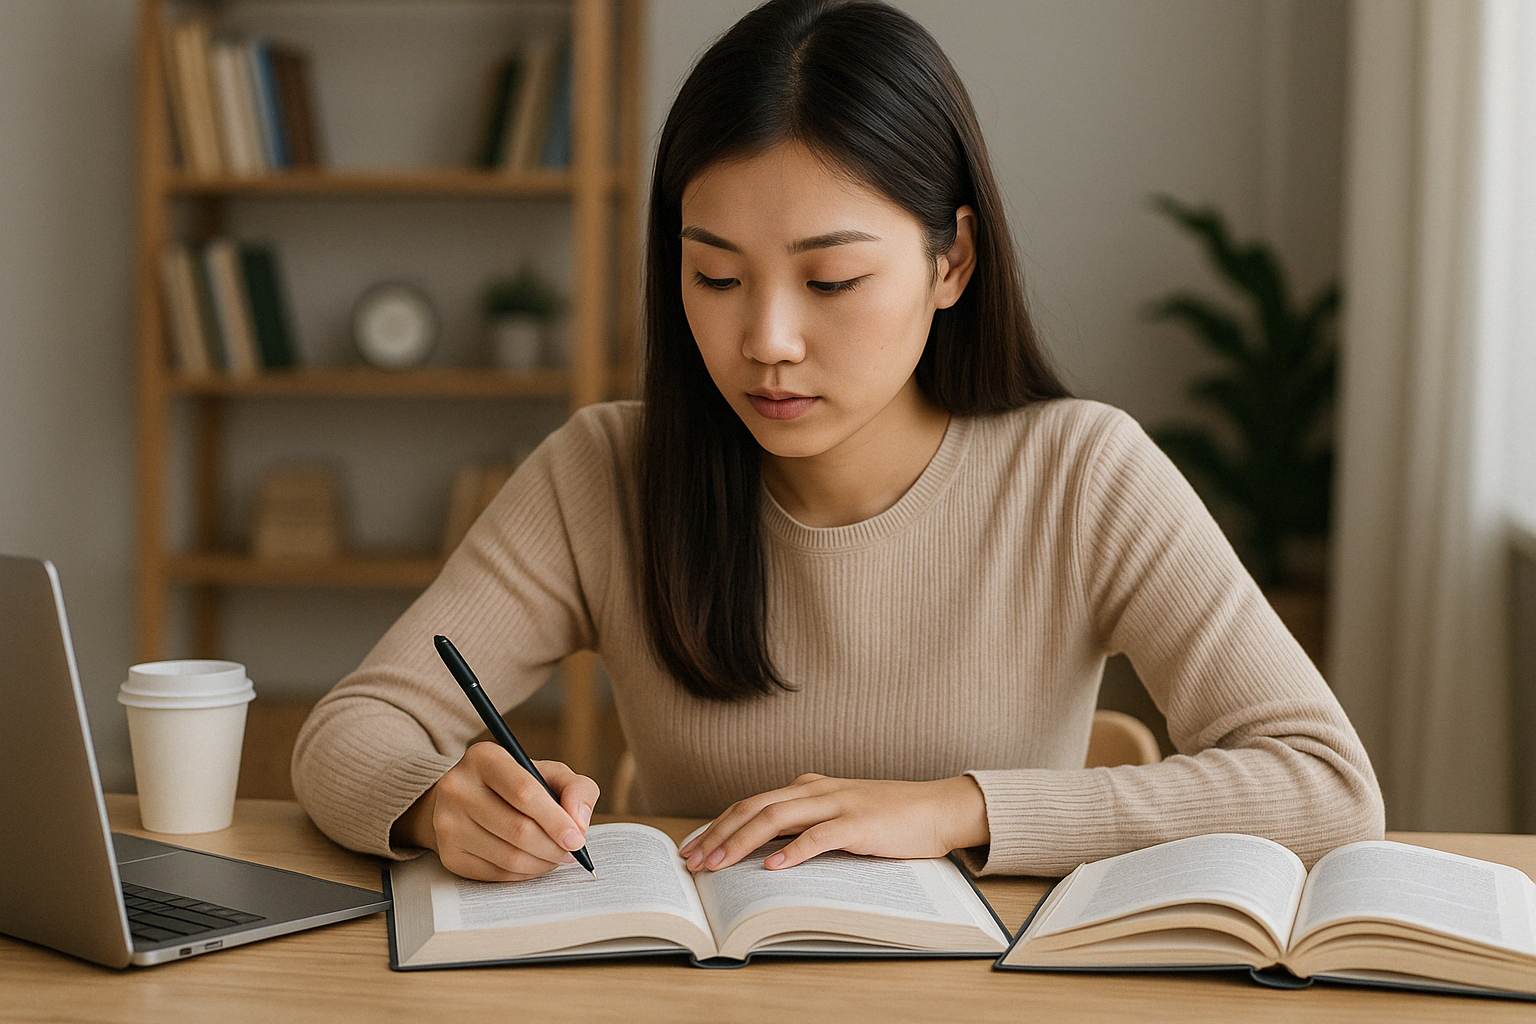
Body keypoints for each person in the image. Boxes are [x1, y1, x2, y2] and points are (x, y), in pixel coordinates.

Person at [291, 0, 1384, 883]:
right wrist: (439, 802)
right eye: (714, 275)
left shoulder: (1080, 474)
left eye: (831, 280)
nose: (764, 340)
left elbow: (1326, 785)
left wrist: (955, 807)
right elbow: (351, 731)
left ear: (952, 261)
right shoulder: (607, 474)